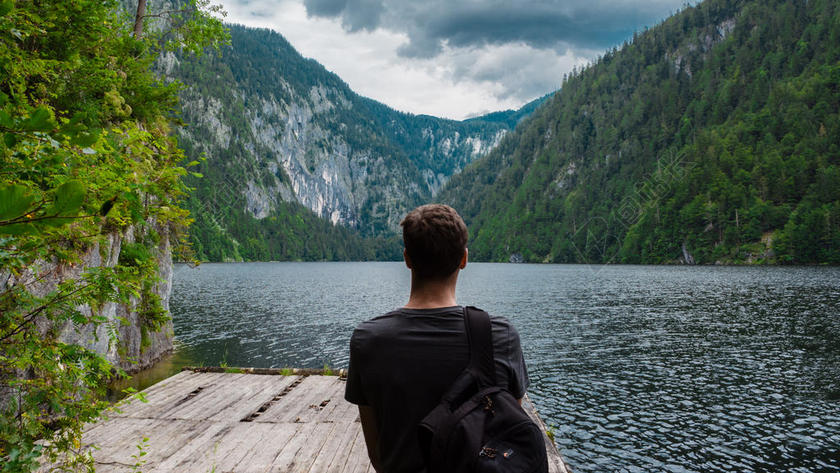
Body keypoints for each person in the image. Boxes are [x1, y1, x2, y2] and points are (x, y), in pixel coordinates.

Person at [344, 204, 531, 473]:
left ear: (407, 259)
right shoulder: (500, 336)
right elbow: (510, 431)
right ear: (464, 259)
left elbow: (379, 456)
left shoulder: (368, 340)